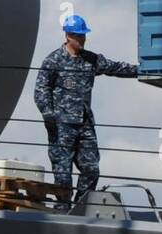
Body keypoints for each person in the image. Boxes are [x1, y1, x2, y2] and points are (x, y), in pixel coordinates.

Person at [33, 14, 140, 203]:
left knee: (91, 169)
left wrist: (144, 71)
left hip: (85, 124)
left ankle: (81, 207)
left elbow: (115, 68)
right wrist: (48, 114)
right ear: (68, 36)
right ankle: (63, 210)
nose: (82, 39)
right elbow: (41, 90)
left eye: (83, 35)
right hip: (62, 126)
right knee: (63, 176)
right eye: (78, 36)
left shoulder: (90, 59)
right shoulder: (53, 60)